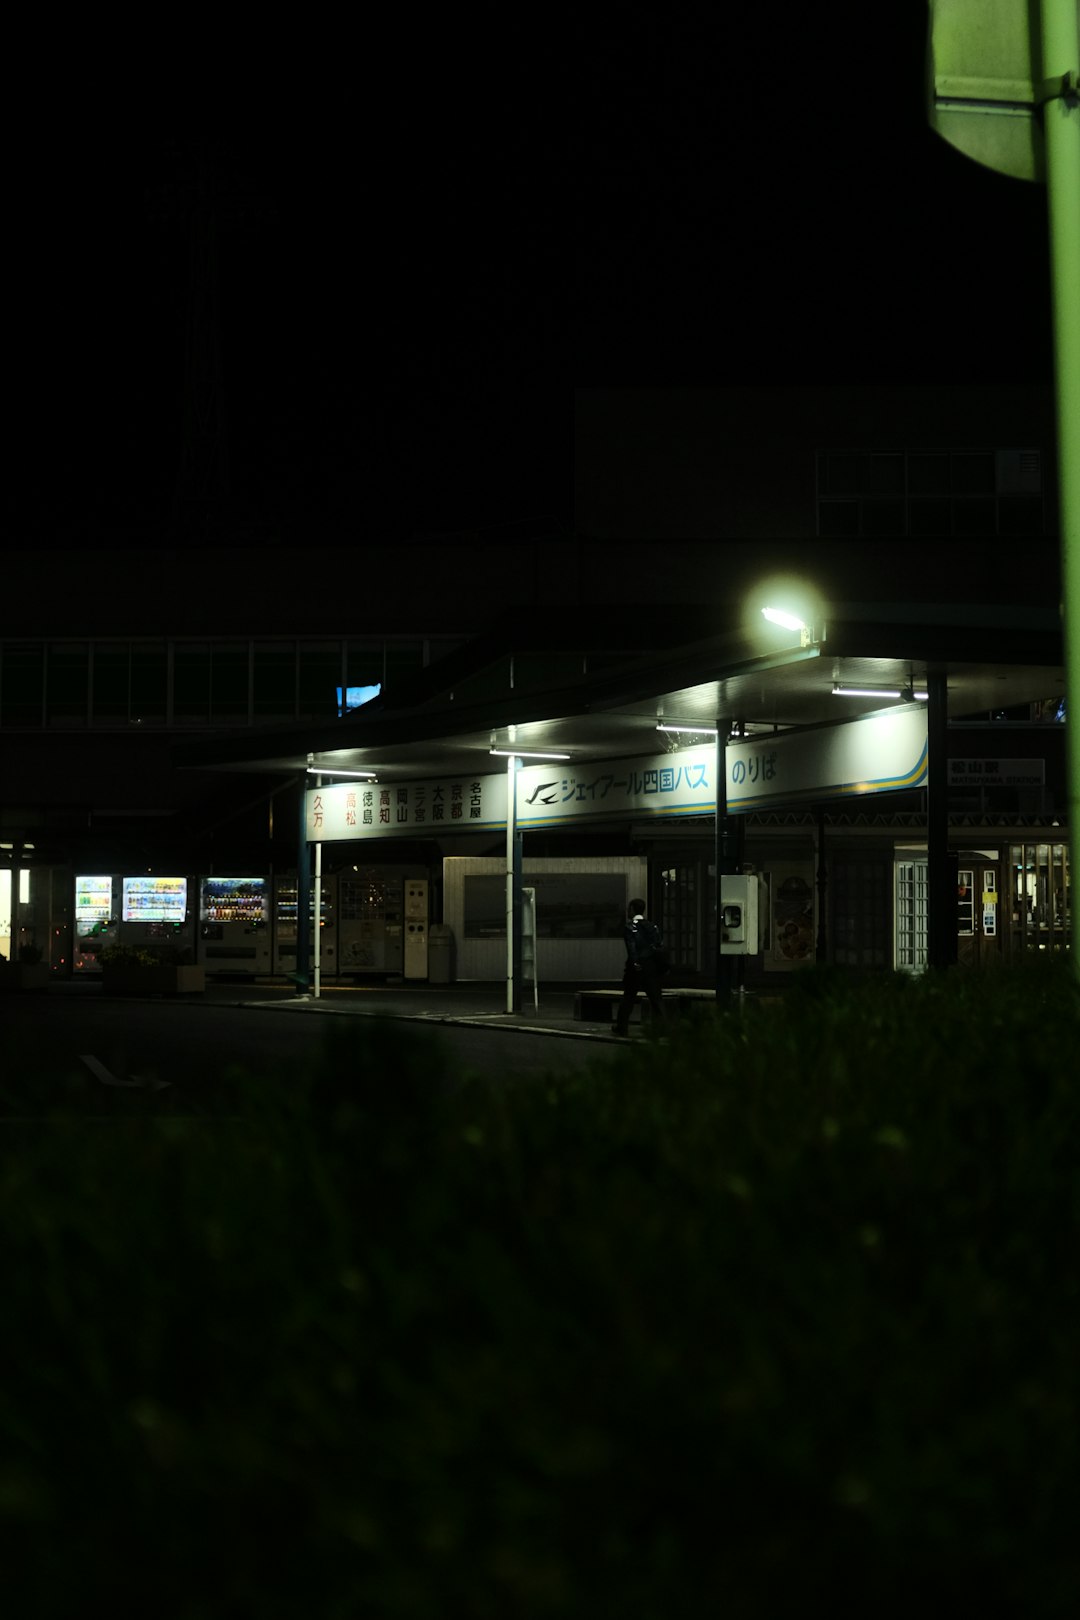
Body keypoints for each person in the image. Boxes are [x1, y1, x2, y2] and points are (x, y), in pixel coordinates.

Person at [614, 897, 667, 1037]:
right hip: (651, 967)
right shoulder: (652, 926)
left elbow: (631, 948)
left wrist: (635, 963)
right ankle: (662, 1028)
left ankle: (622, 1027)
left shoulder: (629, 927)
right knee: (656, 999)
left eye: (628, 909)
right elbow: (659, 946)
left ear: (632, 909)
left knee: (628, 998)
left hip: (635, 968)